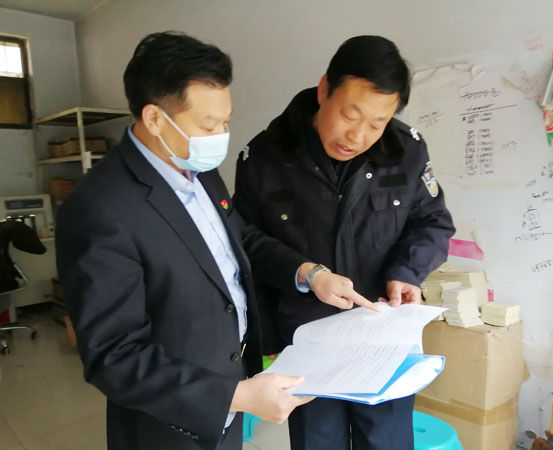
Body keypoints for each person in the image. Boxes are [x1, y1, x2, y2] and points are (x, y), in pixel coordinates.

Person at [56, 31, 311, 450]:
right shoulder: (99, 209)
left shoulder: (198, 167)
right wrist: (233, 396)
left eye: (226, 121)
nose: (221, 135)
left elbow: (236, 239)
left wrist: (308, 273)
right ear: (155, 118)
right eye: (209, 125)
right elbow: (113, 355)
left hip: (232, 388)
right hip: (170, 420)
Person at [234, 35, 455, 450]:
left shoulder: (406, 151)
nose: (357, 135)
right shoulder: (265, 157)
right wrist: (303, 275)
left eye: (376, 123)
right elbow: (244, 241)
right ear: (324, 90)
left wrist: (406, 273)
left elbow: (432, 222)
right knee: (317, 441)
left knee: (387, 441)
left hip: (383, 335)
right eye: (349, 115)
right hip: (307, 339)